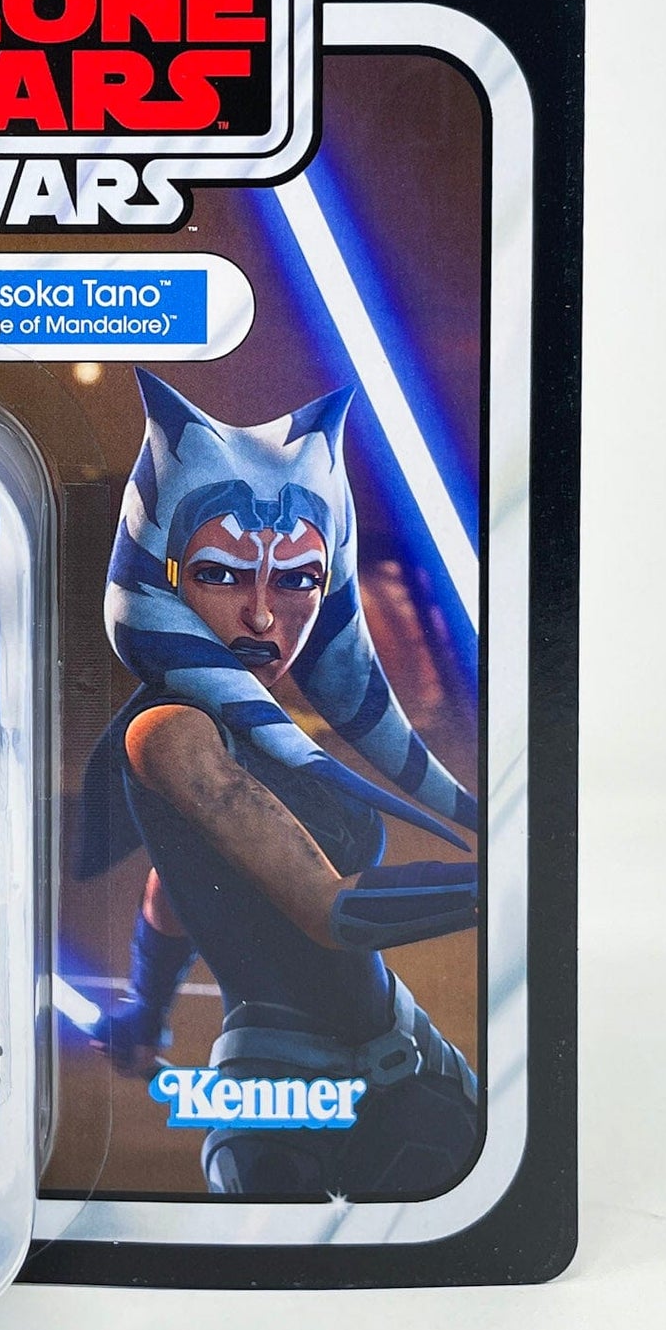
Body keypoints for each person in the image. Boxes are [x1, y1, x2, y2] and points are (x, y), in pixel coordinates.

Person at [80, 370, 481, 1198]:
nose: (263, 616)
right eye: (223, 574)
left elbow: (172, 892)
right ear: (164, 574)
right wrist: (508, 881)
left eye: (296, 578)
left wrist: (144, 1014)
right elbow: (330, 911)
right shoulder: (169, 730)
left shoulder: (266, 730)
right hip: (279, 1098)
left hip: (408, 1061)